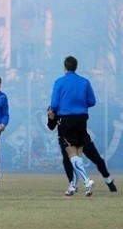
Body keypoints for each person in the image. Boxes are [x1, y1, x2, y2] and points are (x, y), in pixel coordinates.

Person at [49, 56, 96, 197]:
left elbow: (54, 104)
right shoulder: (85, 82)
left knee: (71, 154)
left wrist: (53, 112)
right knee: (78, 155)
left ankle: (87, 181)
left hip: (66, 120)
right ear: (76, 66)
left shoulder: (59, 82)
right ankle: (73, 186)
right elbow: (92, 101)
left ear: (65, 67)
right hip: (82, 119)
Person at [47, 108, 116, 193]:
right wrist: (51, 117)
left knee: (97, 159)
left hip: (81, 137)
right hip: (65, 139)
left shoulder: (76, 105)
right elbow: (51, 126)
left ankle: (108, 180)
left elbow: (86, 113)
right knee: (66, 160)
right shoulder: (55, 108)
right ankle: (73, 185)